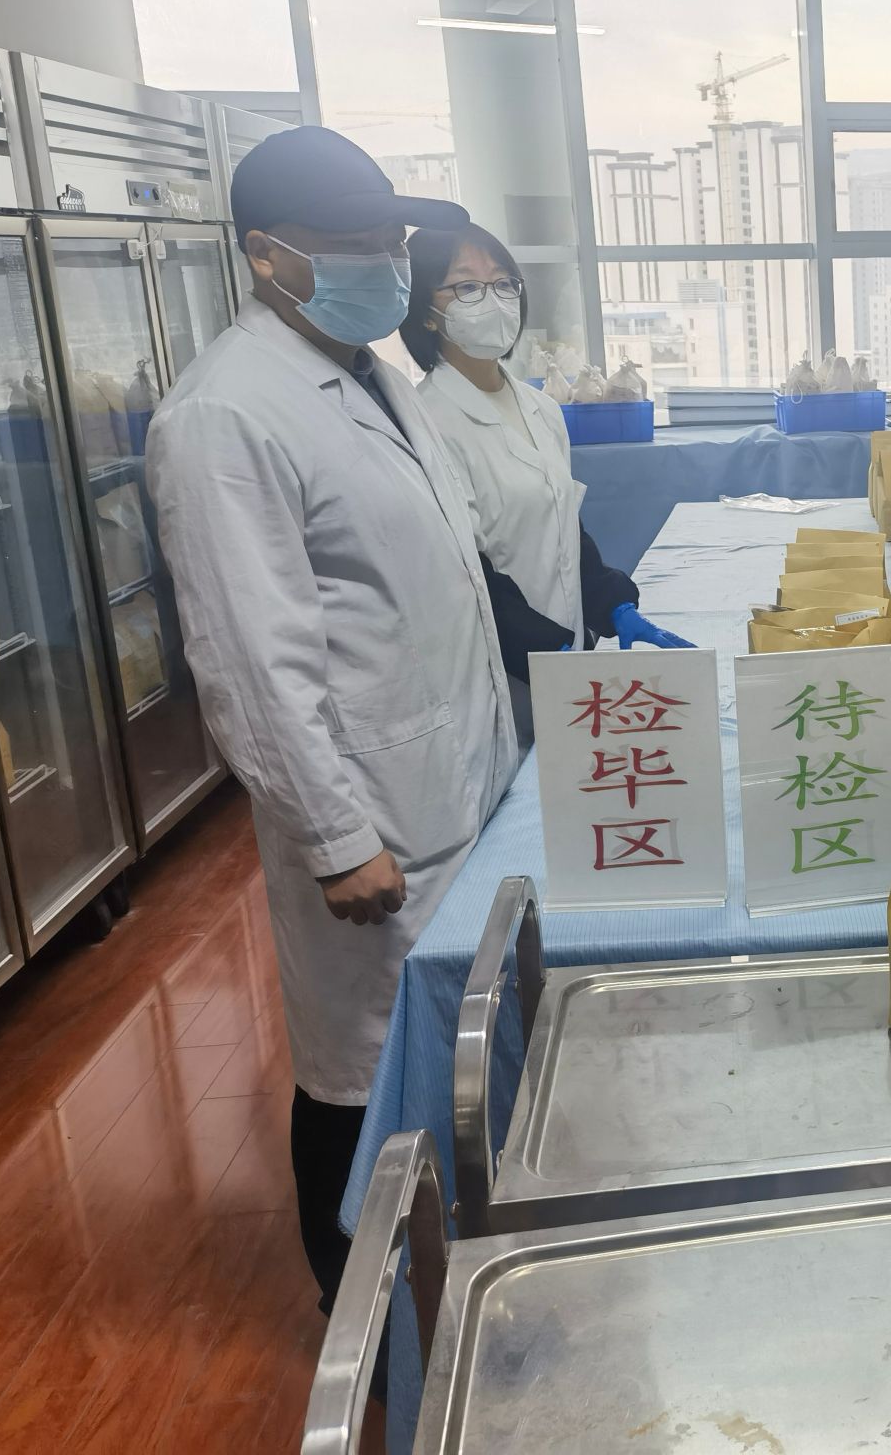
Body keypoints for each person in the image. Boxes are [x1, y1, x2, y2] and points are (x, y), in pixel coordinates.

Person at [146, 126, 517, 1313]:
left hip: (455, 768)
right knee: (358, 1066)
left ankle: (453, 1265)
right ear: (268, 257)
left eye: (391, 241)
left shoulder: (372, 377)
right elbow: (250, 657)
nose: (387, 265)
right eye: (354, 245)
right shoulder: (224, 416)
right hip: (372, 810)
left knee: (445, 1035)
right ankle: (353, 1303)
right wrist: (333, 835)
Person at [398, 224, 688, 743]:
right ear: (425, 311)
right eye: (467, 286)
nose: (493, 300)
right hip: (503, 667)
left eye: (503, 282)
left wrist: (611, 602)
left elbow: (563, 522)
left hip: (566, 651)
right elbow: (465, 574)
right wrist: (547, 650)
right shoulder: (427, 423)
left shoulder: (541, 408)